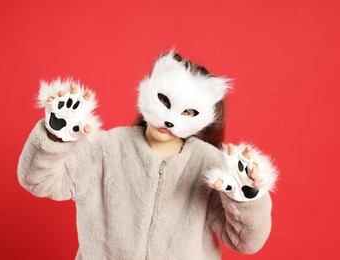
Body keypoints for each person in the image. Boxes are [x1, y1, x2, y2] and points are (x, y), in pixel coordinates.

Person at [18, 51, 277, 259]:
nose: (169, 119)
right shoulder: (105, 148)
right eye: (163, 101)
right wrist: (55, 136)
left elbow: (245, 243)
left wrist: (247, 200)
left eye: (187, 112)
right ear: (147, 90)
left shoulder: (210, 167)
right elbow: (38, 180)